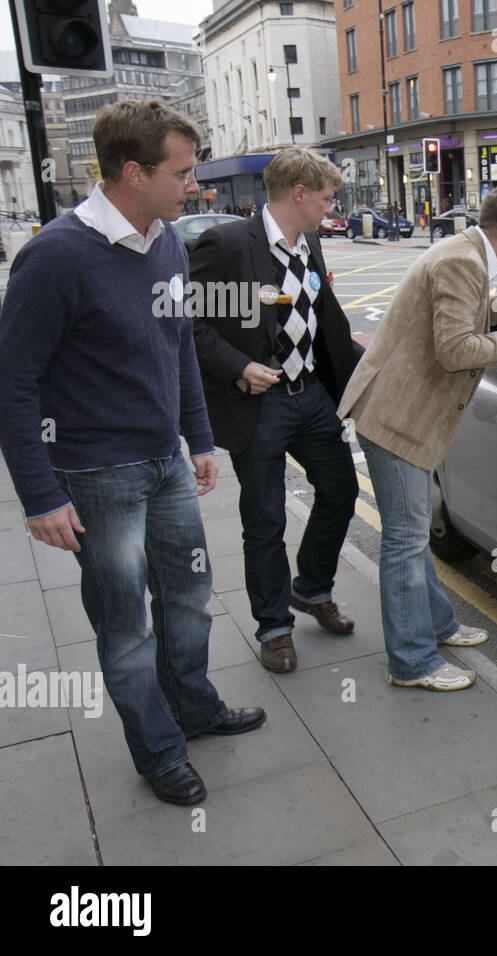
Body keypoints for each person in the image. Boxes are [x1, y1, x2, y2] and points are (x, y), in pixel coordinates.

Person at [0, 100, 265, 806]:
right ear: (131, 171)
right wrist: (39, 494)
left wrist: (199, 437)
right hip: (94, 473)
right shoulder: (57, 255)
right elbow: (13, 380)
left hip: (166, 462)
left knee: (189, 600)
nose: (196, 186)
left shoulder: (166, 240)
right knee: (125, 629)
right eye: (182, 173)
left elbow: (177, 346)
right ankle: (157, 749)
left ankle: (195, 706)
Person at [337, 184, 497, 691]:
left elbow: (451, 317)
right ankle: (411, 662)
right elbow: (455, 349)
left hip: (400, 414)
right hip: (397, 419)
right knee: (406, 542)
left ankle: (437, 625)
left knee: (409, 537)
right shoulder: (462, 262)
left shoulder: (465, 254)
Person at [190, 148, 361, 673]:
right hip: (259, 406)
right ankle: (274, 627)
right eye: (328, 197)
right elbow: (190, 323)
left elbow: (321, 316)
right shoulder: (229, 243)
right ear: (300, 194)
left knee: (341, 489)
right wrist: (239, 366)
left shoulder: (309, 241)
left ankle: (310, 588)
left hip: (310, 397)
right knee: (264, 520)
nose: (333, 207)